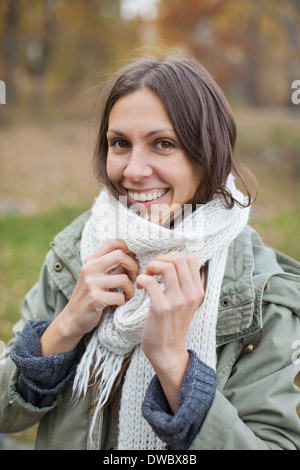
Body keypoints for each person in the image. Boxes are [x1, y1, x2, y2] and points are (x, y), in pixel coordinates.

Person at [0, 53, 299, 451]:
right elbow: (7, 415)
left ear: (207, 151)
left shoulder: (260, 293)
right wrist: (67, 326)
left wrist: (175, 366)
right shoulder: (74, 256)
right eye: (120, 143)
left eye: (163, 144)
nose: (134, 170)